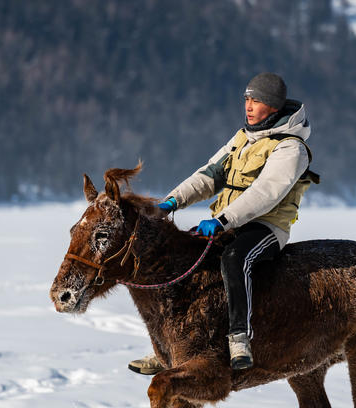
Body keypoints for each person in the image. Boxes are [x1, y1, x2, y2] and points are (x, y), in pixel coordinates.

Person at [129, 72, 315, 375]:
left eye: (257, 100)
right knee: (180, 258)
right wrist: (171, 202)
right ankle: (169, 351)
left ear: (274, 106)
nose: (249, 105)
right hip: (227, 223)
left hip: (265, 227)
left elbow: (266, 194)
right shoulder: (244, 137)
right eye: (247, 98)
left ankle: (239, 337)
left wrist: (222, 220)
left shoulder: (290, 147)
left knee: (233, 258)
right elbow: (210, 175)